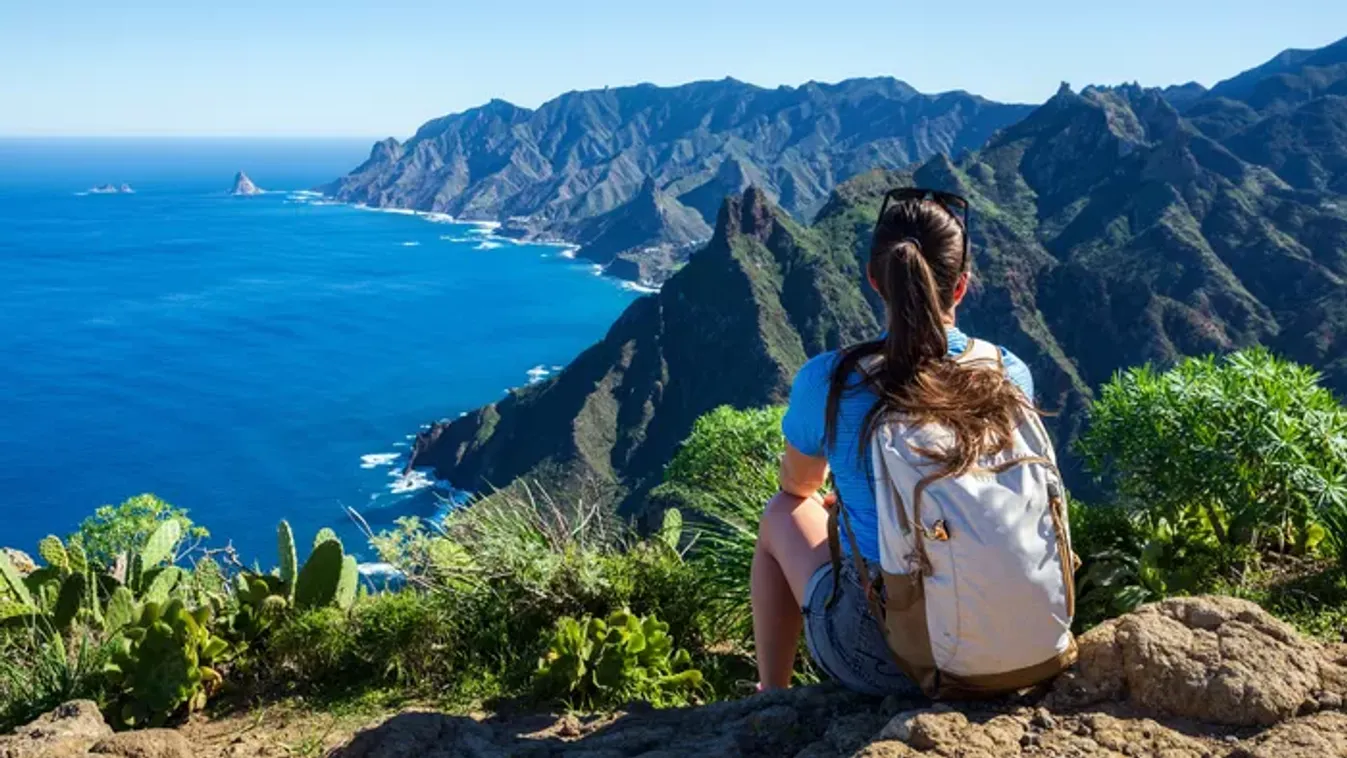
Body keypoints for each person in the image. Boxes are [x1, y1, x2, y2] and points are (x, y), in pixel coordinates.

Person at [751, 187, 1040, 694]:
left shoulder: (832, 381)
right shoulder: (1006, 372)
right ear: (961, 287)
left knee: (781, 512)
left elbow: (798, 486)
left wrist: (860, 500)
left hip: (890, 657)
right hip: (1013, 637)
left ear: (874, 280)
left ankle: (770, 696)